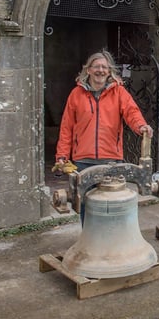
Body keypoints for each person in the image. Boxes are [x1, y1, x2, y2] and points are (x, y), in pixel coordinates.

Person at [55, 50, 153, 223]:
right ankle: (90, 241)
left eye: (104, 67)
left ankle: (113, 242)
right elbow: (66, 127)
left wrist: (141, 126)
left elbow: (132, 113)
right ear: (88, 70)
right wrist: (62, 156)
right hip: (83, 160)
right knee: (86, 204)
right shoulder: (76, 95)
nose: (100, 70)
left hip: (111, 159)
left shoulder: (119, 92)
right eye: (96, 66)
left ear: (109, 71)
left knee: (113, 204)